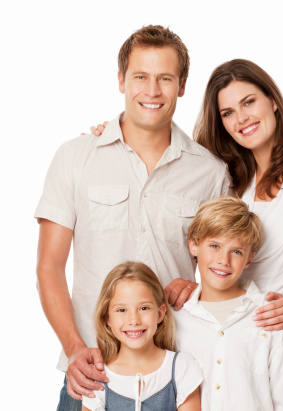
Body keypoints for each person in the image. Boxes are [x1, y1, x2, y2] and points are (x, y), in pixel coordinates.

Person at [91, 59, 283, 410]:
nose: (241, 118)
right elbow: (209, 244)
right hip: (213, 358)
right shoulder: (229, 183)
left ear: (273, 100)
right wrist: (106, 140)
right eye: (228, 112)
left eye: (249, 102)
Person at [35, 25, 230, 409]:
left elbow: (224, 268)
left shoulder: (209, 173)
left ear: (183, 85)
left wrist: (199, 288)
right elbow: (48, 268)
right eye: (141, 77)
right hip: (90, 375)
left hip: (173, 378)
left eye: (165, 78)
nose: (152, 91)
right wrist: (75, 349)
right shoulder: (75, 158)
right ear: (122, 79)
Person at [174, 196, 283, 410]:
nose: (224, 260)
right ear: (194, 245)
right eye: (214, 245)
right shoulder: (176, 319)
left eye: (236, 252)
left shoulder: (270, 317)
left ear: (249, 259)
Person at [82, 262, 202, 411]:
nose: (134, 320)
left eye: (144, 308)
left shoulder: (182, 367)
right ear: (107, 319)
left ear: (160, 313)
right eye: (121, 310)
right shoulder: (97, 378)